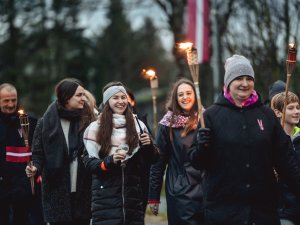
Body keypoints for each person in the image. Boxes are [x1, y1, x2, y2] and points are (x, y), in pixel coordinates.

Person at [188, 54, 300, 225]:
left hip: (263, 212)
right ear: (228, 82)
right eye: (239, 78)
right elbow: (196, 162)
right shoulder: (211, 116)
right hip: (224, 213)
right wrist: (202, 147)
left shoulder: (266, 115)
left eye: (249, 78)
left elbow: (285, 160)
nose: (245, 83)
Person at [83, 81, 159, 225]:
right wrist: (109, 161)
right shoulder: (95, 128)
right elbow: (89, 163)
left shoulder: (138, 125)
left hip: (133, 198)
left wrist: (148, 146)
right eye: (115, 98)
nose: (120, 101)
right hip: (105, 199)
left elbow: (152, 159)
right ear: (107, 101)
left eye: (123, 97)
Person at [26, 78, 94, 225]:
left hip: (83, 190)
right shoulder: (45, 122)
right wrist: (35, 167)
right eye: (79, 95)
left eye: (83, 94)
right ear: (66, 98)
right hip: (56, 190)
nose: (84, 98)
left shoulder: (88, 120)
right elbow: (38, 152)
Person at [148, 78, 203, 225]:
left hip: (206, 188)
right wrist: (153, 196)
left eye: (188, 93)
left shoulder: (205, 119)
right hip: (180, 190)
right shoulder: (167, 124)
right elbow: (158, 162)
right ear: (175, 98)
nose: (185, 97)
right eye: (181, 94)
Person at [0, 83, 44, 225]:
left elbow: (39, 150)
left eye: (13, 100)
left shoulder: (29, 121)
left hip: (25, 187)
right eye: (6, 100)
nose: (11, 104)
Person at [271, 92, 300, 225]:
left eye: (298, 107)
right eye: (290, 108)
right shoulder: (271, 141)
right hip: (283, 210)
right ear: (277, 112)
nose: (296, 112)